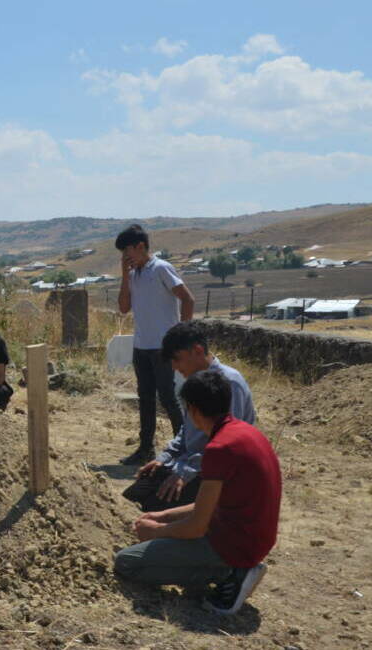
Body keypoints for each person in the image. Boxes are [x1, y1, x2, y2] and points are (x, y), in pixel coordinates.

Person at [114, 370, 281, 615]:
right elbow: (210, 505)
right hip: (253, 538)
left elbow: (197, 527)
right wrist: (165, 516)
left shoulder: (218, 448)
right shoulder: (246, 432)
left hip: (233, 545)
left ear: (192, 410)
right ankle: (231, 568)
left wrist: (156, 533)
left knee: (127, 562)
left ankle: (228, 573)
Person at [123, 321, 256, 512]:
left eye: (177, 359)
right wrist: (166, 457)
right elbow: (187, 429)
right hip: (187, 463)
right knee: (132, 497)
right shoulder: (196, 381)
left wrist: (184, 473)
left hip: (214, 471)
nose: (175, 367)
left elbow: (226, 447)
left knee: (151, 508)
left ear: (198, 350)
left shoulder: (228, 383)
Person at [116, 225, 195, 465]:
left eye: (127, 250)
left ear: (140, 246)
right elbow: (123, 307)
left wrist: (181, 334)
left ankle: (184, 447)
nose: (125, 257)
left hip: (163, 346)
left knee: (168, 397)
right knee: (146, 397)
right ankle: (145, 448)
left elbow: (187, 299)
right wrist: (124, 275)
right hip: (141, 345)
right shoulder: (134, 274)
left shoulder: (161, 268)